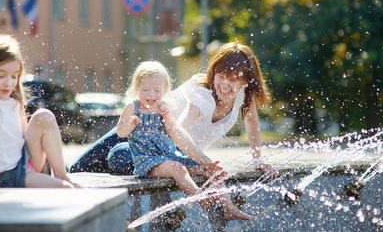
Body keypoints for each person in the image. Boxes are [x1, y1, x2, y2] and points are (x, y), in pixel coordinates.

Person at [70, 41, 276, 180]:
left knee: (120, 158)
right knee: (79, 170)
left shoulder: (242, 95)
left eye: (233, 80)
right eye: (221, 76)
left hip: (159, 153)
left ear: (245, 82)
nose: (224, 84)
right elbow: (177, 133)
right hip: (138, 126)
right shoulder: (201, 94)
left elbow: (252, 122)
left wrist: (258, 159)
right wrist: (201, 162)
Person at [117, 61, 252, 220]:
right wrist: (130, 123)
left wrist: (167, 117)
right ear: (136, 89)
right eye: (145, 90)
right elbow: (120, 132)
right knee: (177, 169)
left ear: (165, 90)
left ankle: (229, 207)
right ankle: (199, 198)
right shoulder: (133, 108)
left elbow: (174, 131)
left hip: (169, 155)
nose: (151, 95)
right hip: (147, 161)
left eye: (156, 91)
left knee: (209, 168)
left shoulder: (164, 107)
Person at [0, 35, 79, 188]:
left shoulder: (13, 100)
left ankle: (62, 175)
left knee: (44, 116)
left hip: (25, 160)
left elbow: (24, 135)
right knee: (64, 188)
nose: (8, 82)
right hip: (8, 174)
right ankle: (59, 182)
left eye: (14, 76)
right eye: (0, 75)